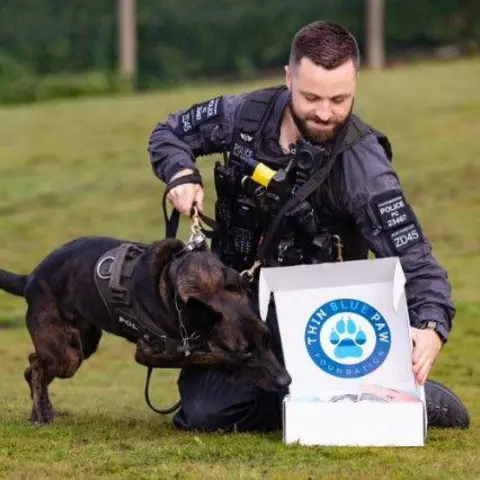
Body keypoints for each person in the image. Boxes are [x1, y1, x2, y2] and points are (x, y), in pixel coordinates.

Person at [147, 21, 470, 431]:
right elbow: (169, 132)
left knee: (222, 407)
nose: (325, 112)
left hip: (322, 317)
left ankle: (388, 392)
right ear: (288, 77)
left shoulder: (364, 167)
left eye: (340, 99)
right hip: (239, 306)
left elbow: (416, 259)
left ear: (355, 82)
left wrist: (430, 327)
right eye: (311, 96)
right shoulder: (245, 116)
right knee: (203, 413)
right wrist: (180, 174)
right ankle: (338, 394)